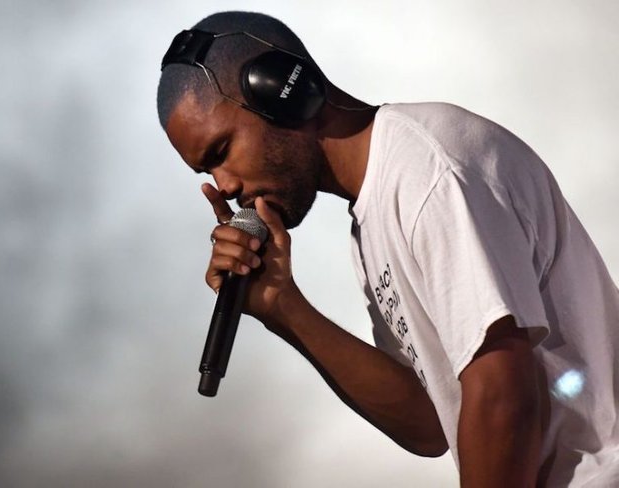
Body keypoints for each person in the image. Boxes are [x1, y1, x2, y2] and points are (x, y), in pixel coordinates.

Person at [157, 11, 619, 487]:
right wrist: (283, 308)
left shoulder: (426, 171)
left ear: (282, 92)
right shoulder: (374, 210)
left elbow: (503, 395)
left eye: (221, 152)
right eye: (208, 174)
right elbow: (429, 423)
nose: (226, 185)